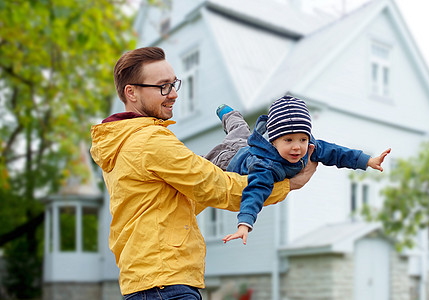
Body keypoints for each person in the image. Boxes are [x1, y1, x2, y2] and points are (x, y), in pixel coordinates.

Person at [89, 47, 317, 300]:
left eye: (174, 84)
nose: (174, 94)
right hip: (165, 284)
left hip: (151, 281)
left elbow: (182, 200)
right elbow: (217, 187)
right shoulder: (149, 142)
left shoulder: (123, 141)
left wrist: (221, 165)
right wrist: (287, 185)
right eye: (163, 86)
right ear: (131, 92)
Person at [205, 96, 391, 244]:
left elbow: (336, 152)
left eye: (302, 139)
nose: (297, 147)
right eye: (288, 140)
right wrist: (244, 224)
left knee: (241, 131)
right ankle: (227, 113)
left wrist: (368, 161)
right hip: (229, 159)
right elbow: (255, 192)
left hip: (248, 146)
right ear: (273, 140)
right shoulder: (266, 166)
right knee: (230, 139)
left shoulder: (309, 147)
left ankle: (229, 114)